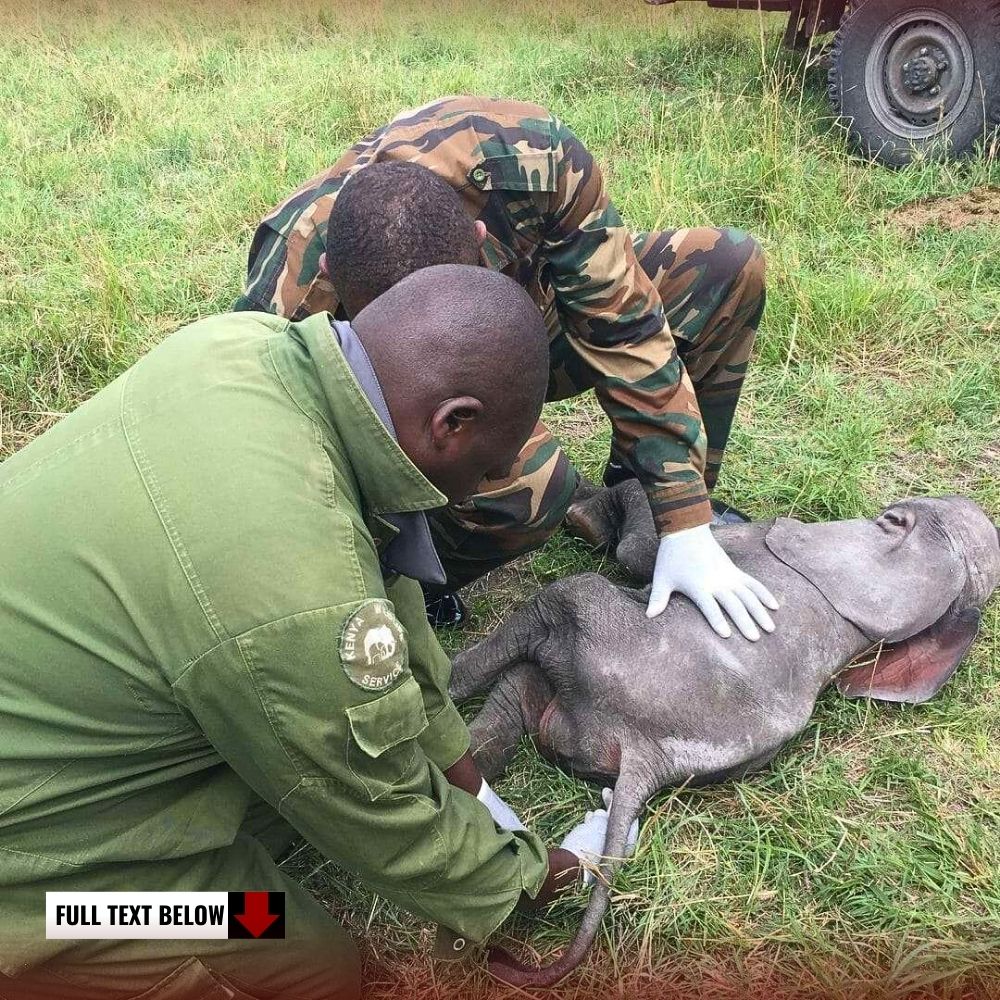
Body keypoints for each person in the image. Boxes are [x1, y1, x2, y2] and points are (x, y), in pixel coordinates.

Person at [0, 266, 632, 1000]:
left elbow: (387, 600)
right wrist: (534, 876)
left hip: (59, 721)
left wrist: (476, 790)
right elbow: (375, 805)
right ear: (451, 421)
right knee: (306, 961)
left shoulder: (250, 348)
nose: (475, 490)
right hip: (38, 872)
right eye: (487, 468)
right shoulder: (289, 582)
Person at [235, 95, 780, 640]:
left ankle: (636, 496)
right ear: (332, 273)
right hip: (399, 393)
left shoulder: (535, 159)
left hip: (530, 321)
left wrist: (684, 518)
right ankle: (416, 576)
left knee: (725, 266)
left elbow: (623, 327)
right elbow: (275, 453)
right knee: (528, 487)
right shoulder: (292, 286)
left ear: (478, 237)